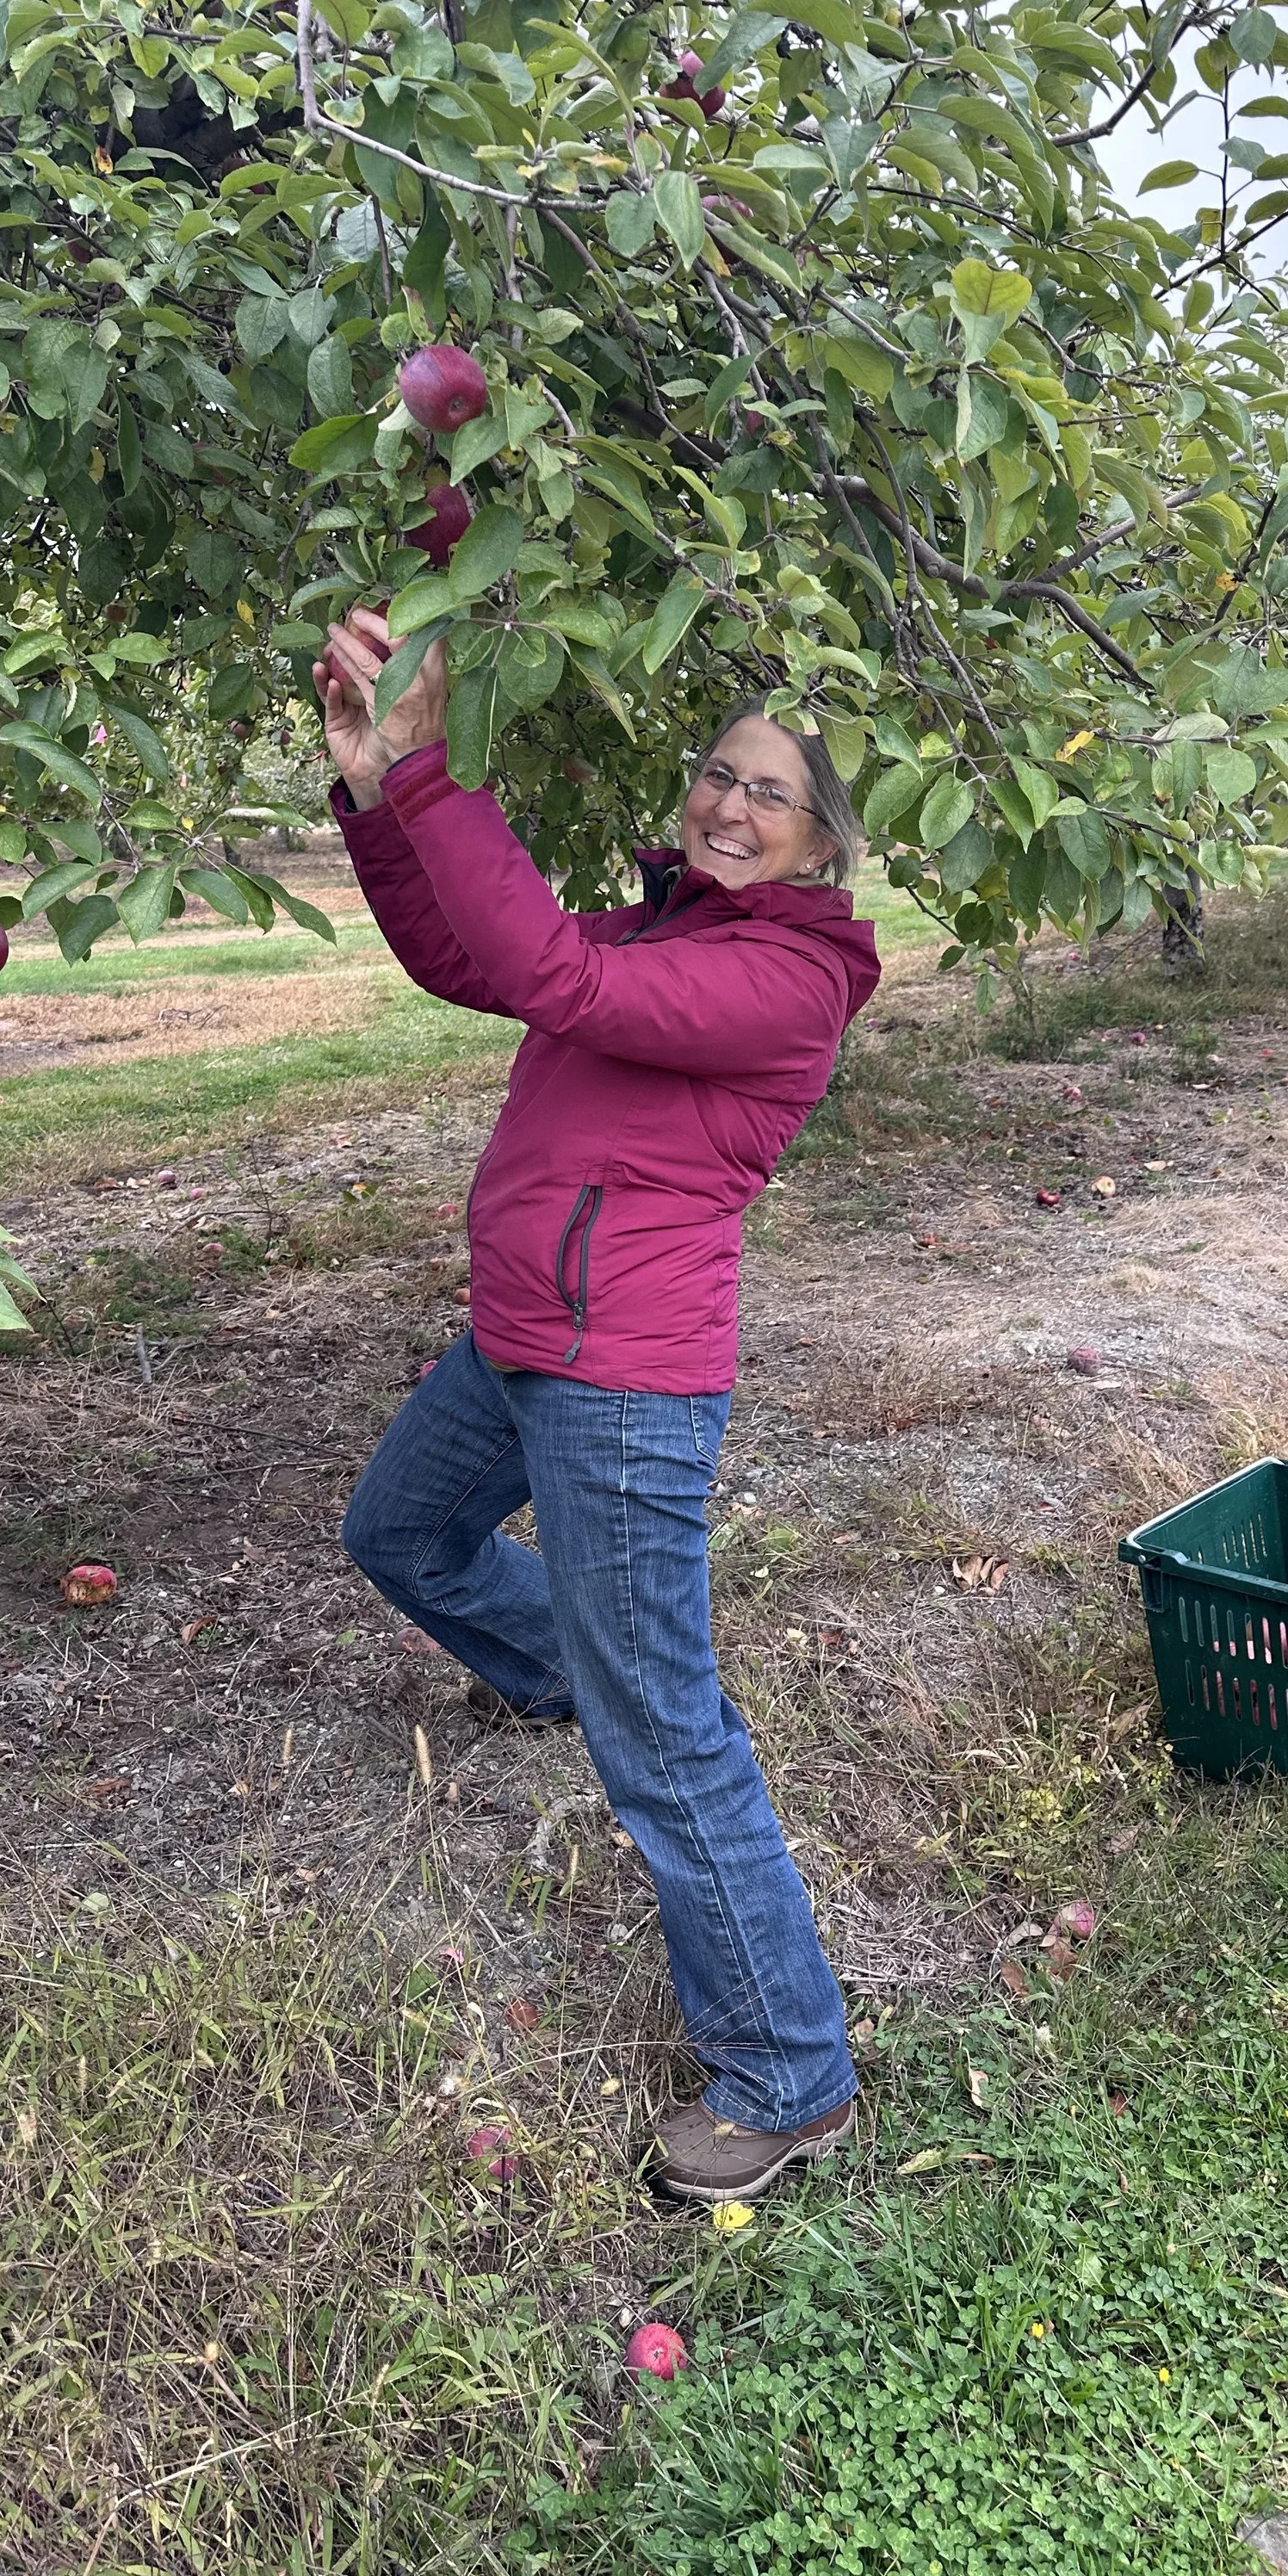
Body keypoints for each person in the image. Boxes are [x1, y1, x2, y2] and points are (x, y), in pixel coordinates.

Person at [315, 605, 880, 2204]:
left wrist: (436, 766)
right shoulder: (665, 934)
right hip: (524, 1331)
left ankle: (789, 2074)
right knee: (401, 1532)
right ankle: (570, 1670)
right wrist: (374, 796)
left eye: (771, 792)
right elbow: (468, 957)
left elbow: (547, 969)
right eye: (719, 773)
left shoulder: (787, 976)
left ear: (824, 843)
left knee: (672, 1734)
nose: (727, 803)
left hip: (624, 1374)